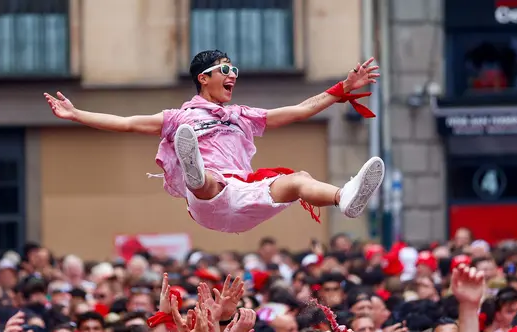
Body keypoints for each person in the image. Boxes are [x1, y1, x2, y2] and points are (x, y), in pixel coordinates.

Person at [44, 50, 384, 233]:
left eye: (234, 70)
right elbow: (128, 123)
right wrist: (77, 115)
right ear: (203, 78)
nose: (232, 75)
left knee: (298, 180)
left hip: (243, 197)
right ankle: (194, 172)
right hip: (209, 202)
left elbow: (297, 110)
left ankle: (345, 198)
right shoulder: (179, 116)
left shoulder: (242, 114)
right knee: (209, 182)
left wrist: (341, 88)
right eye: (225, 69)